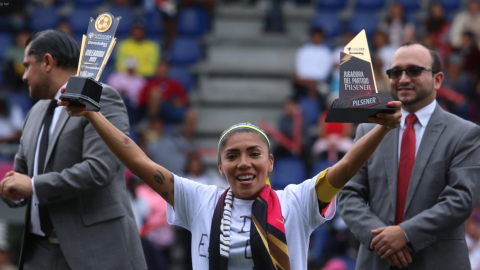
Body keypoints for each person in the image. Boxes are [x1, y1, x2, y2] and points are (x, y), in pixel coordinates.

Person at [58, 81, 402, 269]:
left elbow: (343, 169)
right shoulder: (199, 200)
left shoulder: (297, 201)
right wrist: (93, 116)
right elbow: (139, 161)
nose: (244, 163)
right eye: (232, 156)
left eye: (254, 154)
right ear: (220, 167)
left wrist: (382, 130)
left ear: (270, 163)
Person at [0, 29, 146, 270]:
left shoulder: (100, 97)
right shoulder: (33, 113)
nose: (24, 76)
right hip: (38, 254)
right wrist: (10, 189)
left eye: (27, 66)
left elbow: (99, 169)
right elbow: (21, 178)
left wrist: (33, 185)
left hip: (96, 253)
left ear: (47, 62)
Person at [338, 41, 480, 270]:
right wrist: (380, 240)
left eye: (414, 71)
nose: (403, 79)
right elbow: (348, 194)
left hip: (438, 262)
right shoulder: (368, 130)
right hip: (378, 260)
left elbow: (461, 200)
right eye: (395, 72)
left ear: (437, 80)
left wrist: (405, 234)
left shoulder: (465, 133)